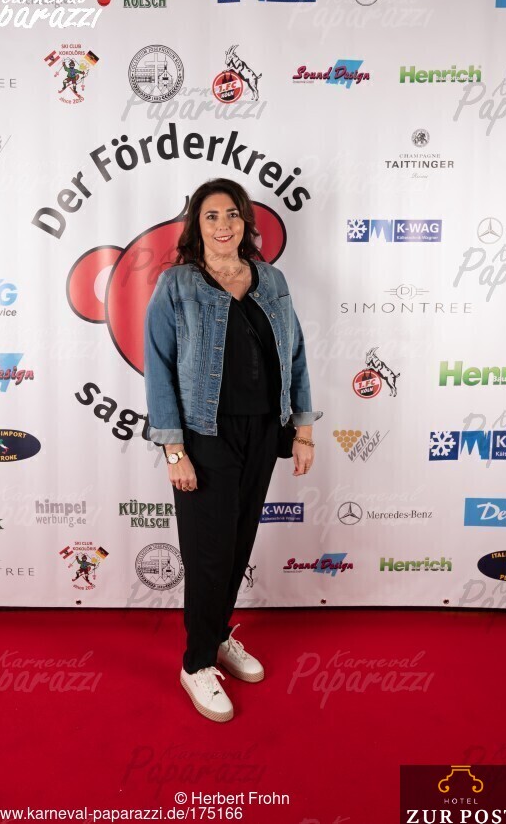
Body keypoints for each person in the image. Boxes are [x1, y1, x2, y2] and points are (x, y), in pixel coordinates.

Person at [144, 178, 322, 723]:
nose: (223, 225)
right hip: (205, 435)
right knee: (209, 552)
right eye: (211, 216)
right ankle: (196, 662)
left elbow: (294, 355)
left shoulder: (272, 280)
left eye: (232, 215)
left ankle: (219, 635)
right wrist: (174, 449)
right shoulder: (176, 285)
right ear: (196, 226)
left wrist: (303, 430)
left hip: (264, 431)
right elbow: (159, 367)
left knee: (239, 541)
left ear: (246, 222)